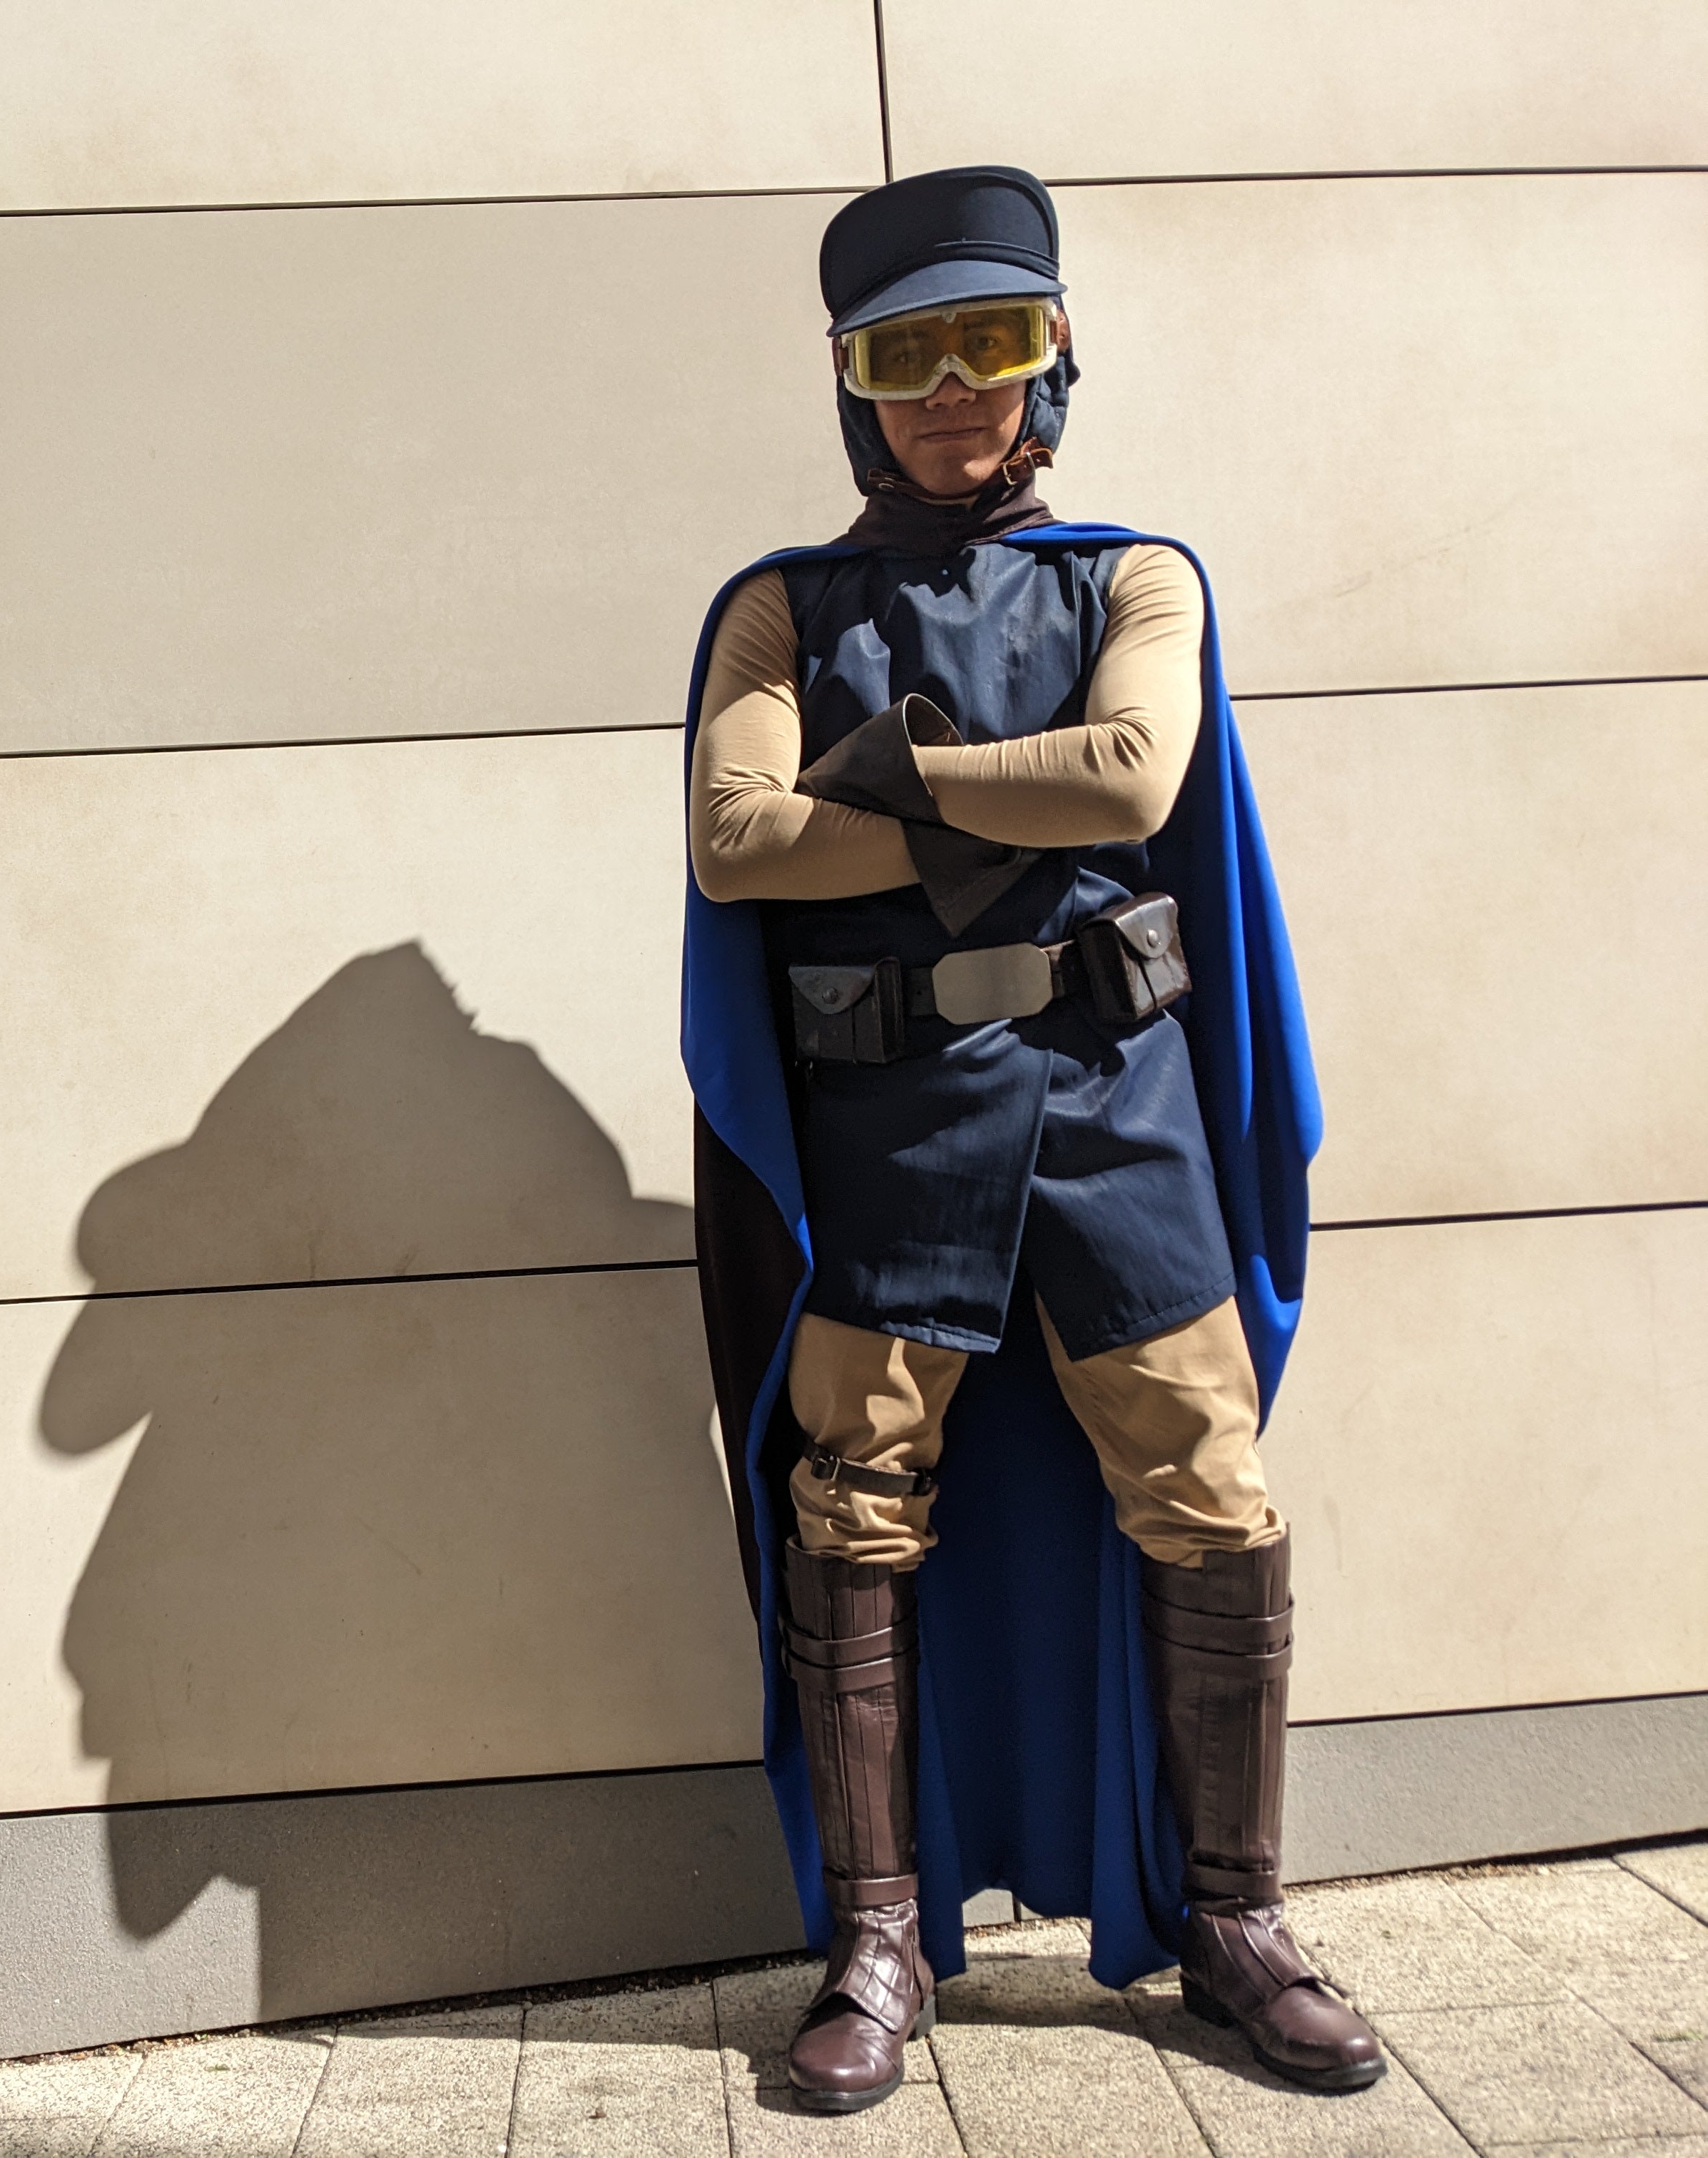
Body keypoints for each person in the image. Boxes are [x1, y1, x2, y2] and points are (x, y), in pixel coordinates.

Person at [681, 166, 1385, 2114]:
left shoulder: (1135, 579)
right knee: (858, 1504)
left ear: (1052, 362)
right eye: (906, 355)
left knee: (1209, 1492)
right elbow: (739, 842)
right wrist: (1011, 801)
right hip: (891, 1136)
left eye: (991, 345)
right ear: (852, 386)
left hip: (1116, 1123)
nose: (952, 391)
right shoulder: (776, 607)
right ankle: (881, 1943)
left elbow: (1138, 773)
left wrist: (884, 777)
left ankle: (1234, 1918)